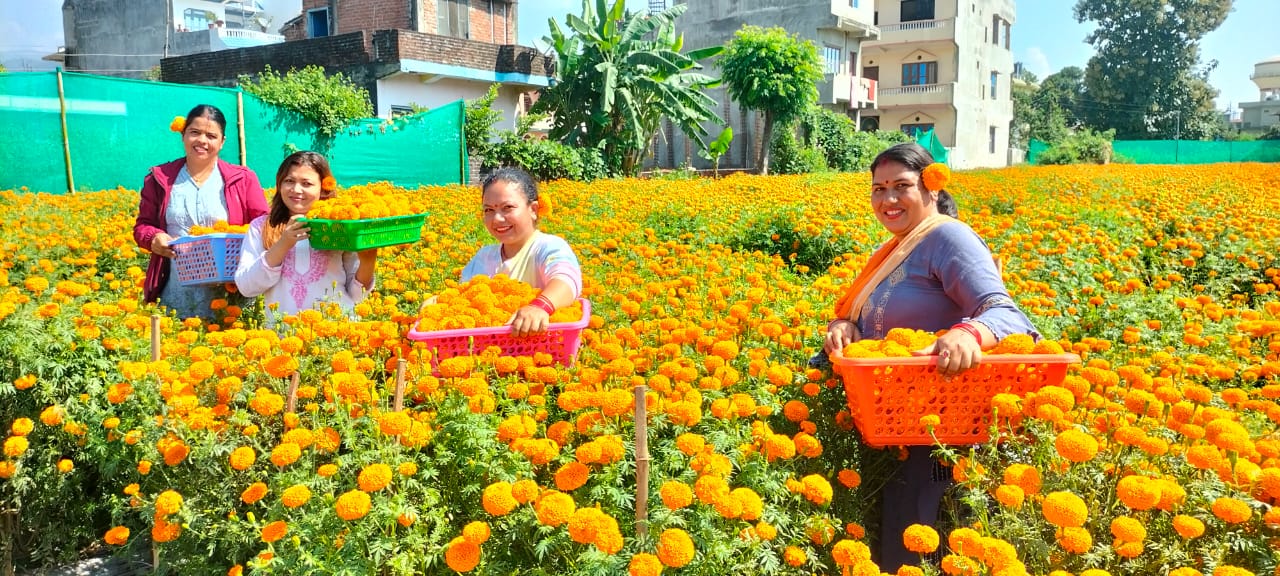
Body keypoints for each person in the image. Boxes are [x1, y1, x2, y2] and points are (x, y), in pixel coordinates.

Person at [821, 143, 1039, 571]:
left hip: (940, 428)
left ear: (932, 188)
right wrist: (846, 326)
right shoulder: (895, 249)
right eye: (878, 188)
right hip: (892, 423)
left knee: (926, 550)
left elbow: (1009, 315)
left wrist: (968, 333)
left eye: (901, 186)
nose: (888, 199)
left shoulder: (947, 237)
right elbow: (874, 319)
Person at [133, 103, 268, 322]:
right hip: (177, 294)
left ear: (222, 142)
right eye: (194, 132)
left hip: (231, 296)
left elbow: (264, 225)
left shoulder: (243, 179)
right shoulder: (160, 178)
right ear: (183, 135)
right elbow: (143, 225)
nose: (202, 141)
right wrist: (153, 238)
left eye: (211, 135)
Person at [234, 151, 378, 326]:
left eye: (307, 183)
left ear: (323, 188)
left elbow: (356, 296)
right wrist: (283, 244)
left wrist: (368, 261)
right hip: (283, 337)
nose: (296, 190)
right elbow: (246, 287)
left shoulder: (341, 227)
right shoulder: (261, 227)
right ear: (279, 184)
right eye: (289, 181)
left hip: (335, 334)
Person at [459, 167, 582, 337]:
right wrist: (437, 303)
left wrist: (539, 307)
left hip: (542, 346)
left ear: (533, 210)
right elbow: (462, 299)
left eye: (507, 207)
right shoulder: (483, 257)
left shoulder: (549, 246)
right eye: (489, 210)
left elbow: (567, 281)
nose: (497, 219)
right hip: (488, 355)